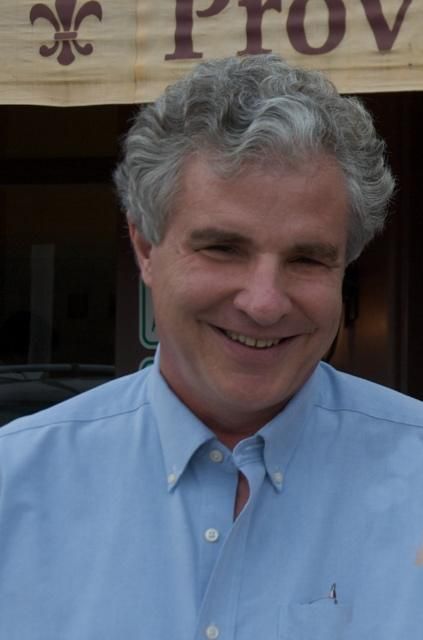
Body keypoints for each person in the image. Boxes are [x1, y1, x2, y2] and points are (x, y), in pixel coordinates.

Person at [1, 55, 423, 640]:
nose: (264, 303)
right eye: (223, 248)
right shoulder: (13, 488)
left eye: (307, 258)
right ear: (145, 248)